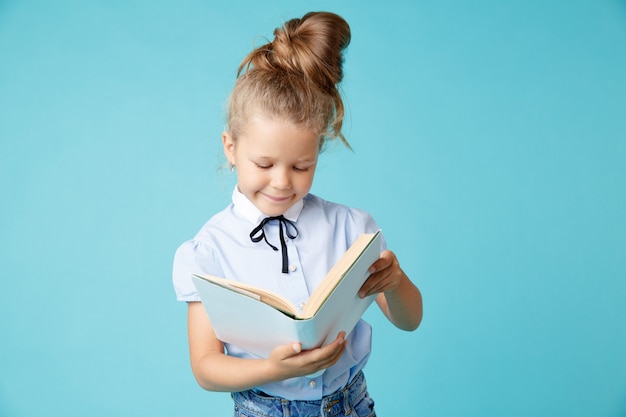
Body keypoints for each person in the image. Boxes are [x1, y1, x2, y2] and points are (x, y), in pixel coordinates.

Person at [172, 11, 423, 417]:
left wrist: (394, 283)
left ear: (317, 155)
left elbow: (411, 320)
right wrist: (270, 368)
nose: (282, 182)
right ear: (231, 148)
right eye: (265, 165)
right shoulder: (208, 252)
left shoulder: (351, 229)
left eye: (301, 166)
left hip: (351, 406)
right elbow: (205, 367)